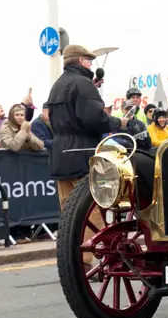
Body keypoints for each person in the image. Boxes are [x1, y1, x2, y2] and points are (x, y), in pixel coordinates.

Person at [46, 44, 127, 210]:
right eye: (90, 60)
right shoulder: (83, 84)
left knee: (68, 210)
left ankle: (69, 238)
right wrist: (118, 122)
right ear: (81, 60)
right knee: (89, 210)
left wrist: (91, 89)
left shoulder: (57, 85)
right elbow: (95, 119)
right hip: (82, 153)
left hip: (61, 154)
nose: (91, 64)